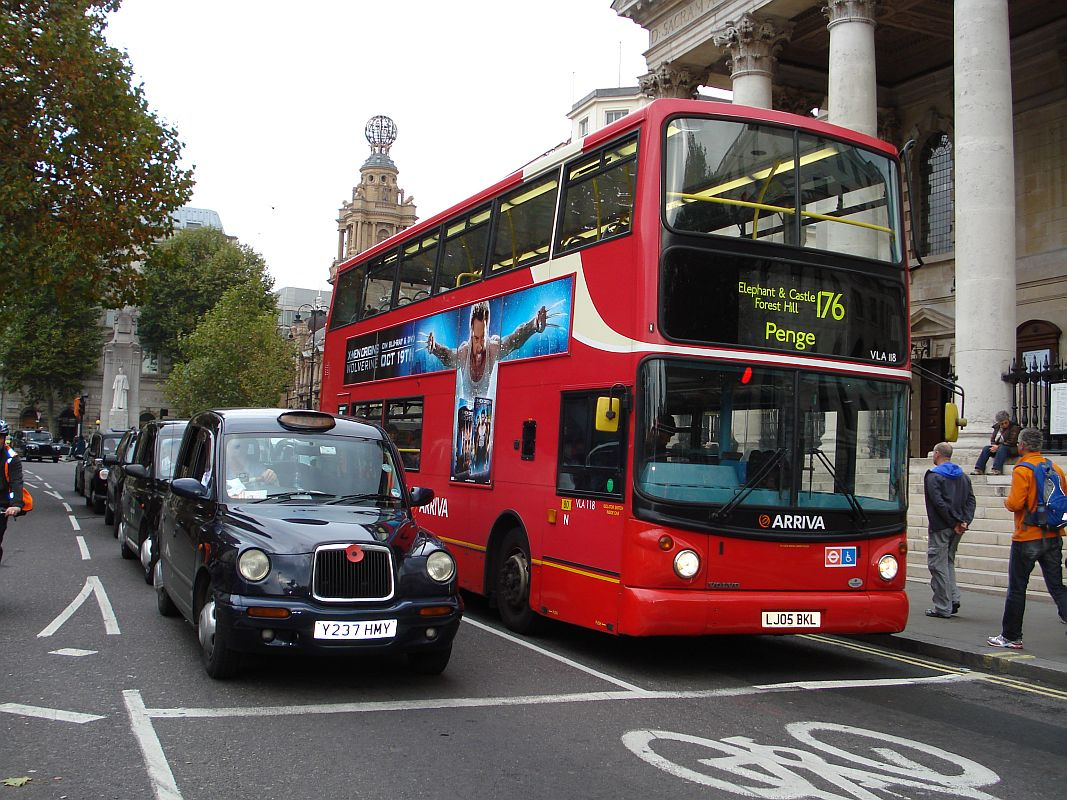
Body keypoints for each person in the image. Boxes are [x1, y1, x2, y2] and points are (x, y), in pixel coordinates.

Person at [986, 427, 1067, 649]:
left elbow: (1015, 503)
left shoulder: (1023, 469)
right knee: (1057, 586)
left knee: (1017, 588)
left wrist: (1006, 502)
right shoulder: (1056, 468)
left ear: (1022, 446)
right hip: (1053, 534)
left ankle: (1011, 636)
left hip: (1027, 536)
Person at [426, 301, 548, 399]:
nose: (479, 346)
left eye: (482, 339)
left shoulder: (493, 349)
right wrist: (435, 348)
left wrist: (534, 325)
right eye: (476, 338)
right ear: (471, 334)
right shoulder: (464, 353)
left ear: (487, 333)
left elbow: (513, 340)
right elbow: (448, 356)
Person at [923, 442, 975, 618]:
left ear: (937, 454)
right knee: (948, 562)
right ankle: (953, 598)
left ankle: (942, 606)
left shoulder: (933, 476)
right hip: (958, 526)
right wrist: (964, 521)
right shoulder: (963, 476)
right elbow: (971, 500)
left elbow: (938, 503)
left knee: (937, 564)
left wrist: (953, 521)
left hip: (941, 525)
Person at [0, 420, 26, 564]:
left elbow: (16, 482)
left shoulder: (11, 458)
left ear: (4, 438)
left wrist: (16, 504)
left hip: (2, 503)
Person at [972, 410, 1020, 475]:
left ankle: (996, 469)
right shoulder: (997, 428)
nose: (1004, 425)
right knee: (986, 449)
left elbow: (1011, 441)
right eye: (1002, 424)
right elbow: (993, 439)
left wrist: (998, 447)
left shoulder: (1014, 427)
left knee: (1002, 448)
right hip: (999, 447)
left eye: (1006, 423)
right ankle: (979, 469)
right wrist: (993, 445)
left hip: (1010, 448)